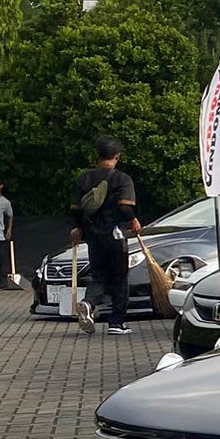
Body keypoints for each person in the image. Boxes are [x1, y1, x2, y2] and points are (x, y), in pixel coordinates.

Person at [70, 136, 139, 335]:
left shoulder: (84, 179)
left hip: (92, 235)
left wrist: (79, 228)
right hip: (115, 234)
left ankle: (88, 302)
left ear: (97, 155)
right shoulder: (122, 179)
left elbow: (76, 208)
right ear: (117, 156)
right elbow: (125, 206)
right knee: (119, 277)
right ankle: (116, 322)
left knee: (99, 276)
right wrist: (133, 220)